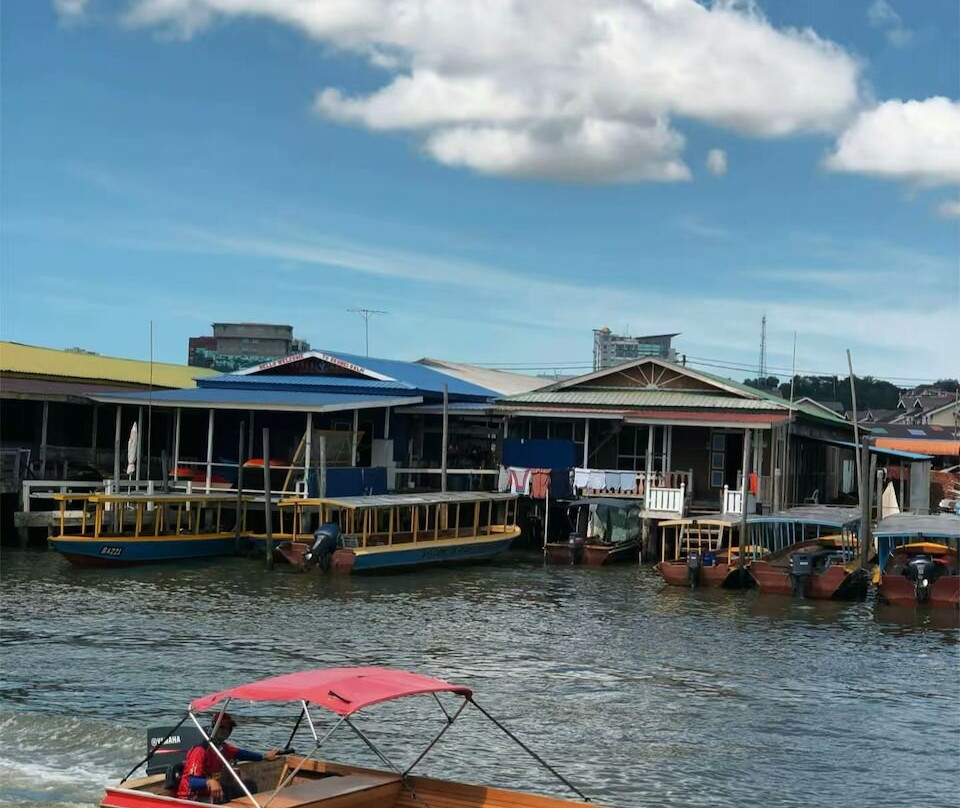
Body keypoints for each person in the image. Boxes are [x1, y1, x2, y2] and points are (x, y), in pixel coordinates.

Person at [177, 712, 278, 803]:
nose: (226, 731)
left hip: (214, 792)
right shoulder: (200, 750)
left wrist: (264, 757)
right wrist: (209, 782)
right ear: (213, 727)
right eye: (222, 727)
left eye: (229, 729)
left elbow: (242, 754)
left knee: (249, 785)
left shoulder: (224, 748)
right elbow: (190, 782)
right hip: (193, 798)